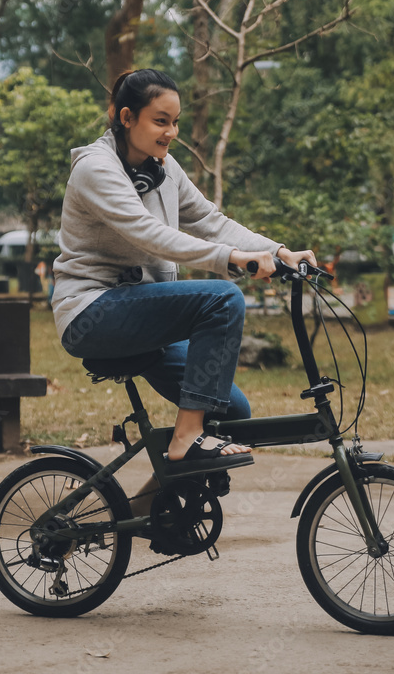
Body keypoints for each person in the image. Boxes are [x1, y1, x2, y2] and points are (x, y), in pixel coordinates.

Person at [52, 68, 316, 478]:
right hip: (92, 314)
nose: (171, 132)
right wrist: (232, 258)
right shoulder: (96, 170)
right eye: (161, 121)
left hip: (142, 317)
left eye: (175, 122)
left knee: (231, 410)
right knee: (223, 298)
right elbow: (151, 235)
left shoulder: (164, 168)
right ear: (126, 118)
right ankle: (186, 439)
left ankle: (159, 510)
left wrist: (277, 250)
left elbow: (211, 220)